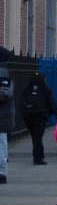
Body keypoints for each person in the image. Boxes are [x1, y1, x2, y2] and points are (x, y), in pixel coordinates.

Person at [20, 73, 57, 166]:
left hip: (28, 117)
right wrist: (47, 114)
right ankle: (38, 158)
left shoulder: (26, 91)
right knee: (38, 137)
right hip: (40, 117)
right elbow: (54, 106)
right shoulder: (45, 91)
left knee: (35, 137)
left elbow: (20, 105)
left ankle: (40, 154)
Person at [0, 48, 14, 184]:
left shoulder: (3, 72)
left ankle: (2, 173)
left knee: (2, 145)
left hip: (2, 116)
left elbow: (5, 93)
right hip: (4, 115)